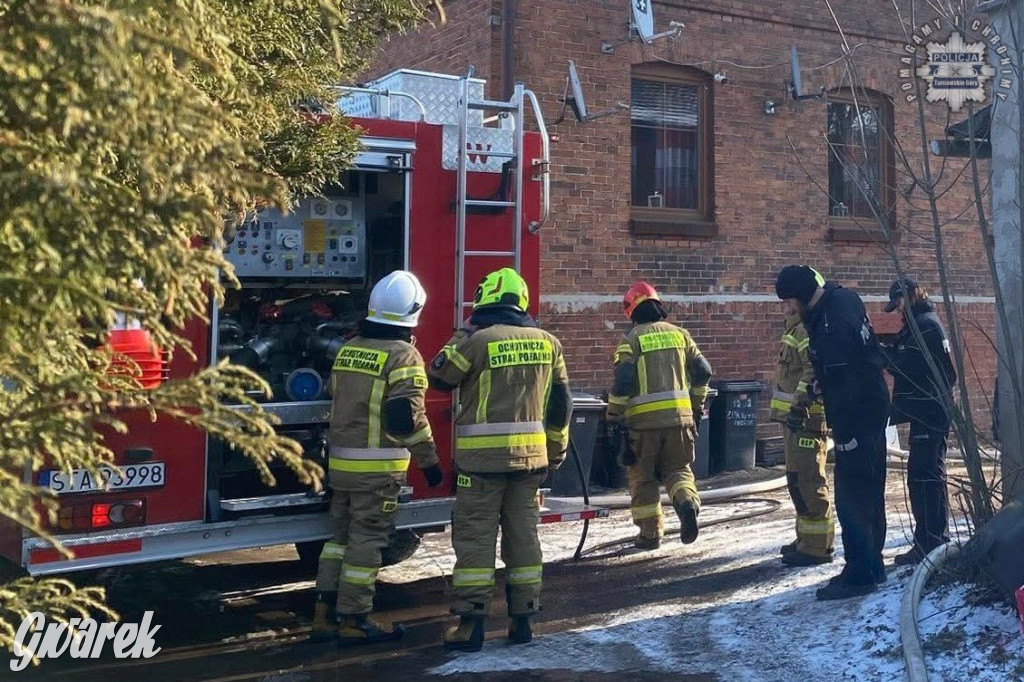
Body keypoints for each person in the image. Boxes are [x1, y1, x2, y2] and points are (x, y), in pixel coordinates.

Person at [427, 267, 571, 652]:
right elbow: (561, 406)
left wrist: (465, 329)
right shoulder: (549, 343)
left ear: (485, 299)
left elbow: (439, 376)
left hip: (481, 463)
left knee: (476, 539)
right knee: (523, 536)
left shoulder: (478, 341)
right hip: (530, 462)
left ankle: (470, 625)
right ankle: (523, 619)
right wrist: (554, 452)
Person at [312, 270, 444, 644]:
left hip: (341, 467)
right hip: (377, 472)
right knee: (367, 544)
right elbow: (405, 418)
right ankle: (354, 619)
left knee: (338, 540)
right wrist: (429, 461)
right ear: (413, 311)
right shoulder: (404, 356)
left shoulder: (349, 349)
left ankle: (323, 615)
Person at [775, 266, 890, 601]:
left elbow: (841, 373)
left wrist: (841, 422)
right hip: (871, 406)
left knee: (852, 494)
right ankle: (872, 564)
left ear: (803, 294)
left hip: (856, 415)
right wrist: (816, 384)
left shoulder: (829, 323)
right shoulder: (844, 300)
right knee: (870, 488)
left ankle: (859, 574)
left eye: (791, 301)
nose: (790, 309)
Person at [606, 281, 713, 550]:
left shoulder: (630, 341)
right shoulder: (681, 335)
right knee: (678, 470)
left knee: (643, 479)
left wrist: (614, 414)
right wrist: (697, 406)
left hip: (642, 425)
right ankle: (687, 502)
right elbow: (703, 371)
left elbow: (624, 378)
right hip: (680, 420)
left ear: (631, 311)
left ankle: (650, 535)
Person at [883, 277, 956, 565]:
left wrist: (883, 355)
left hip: (929, 411)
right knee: (923, 476)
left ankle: (932, 543)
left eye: (899, 303)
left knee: (925, 478)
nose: (898, 311)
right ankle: (929, 540)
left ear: (910, 296)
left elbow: (910, 368)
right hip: (926, 410)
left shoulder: (925, 326)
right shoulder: (923, 323)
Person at [770, 303, 835, 567]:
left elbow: (813, 372)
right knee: (797, 480)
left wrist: (799, 406)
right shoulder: (794, 330)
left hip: (806, 419)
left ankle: (818, 547)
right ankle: (806, 540)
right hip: (793, 421)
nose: (783, 307)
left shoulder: (805, 331)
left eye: (787, 301)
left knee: (810, 480)